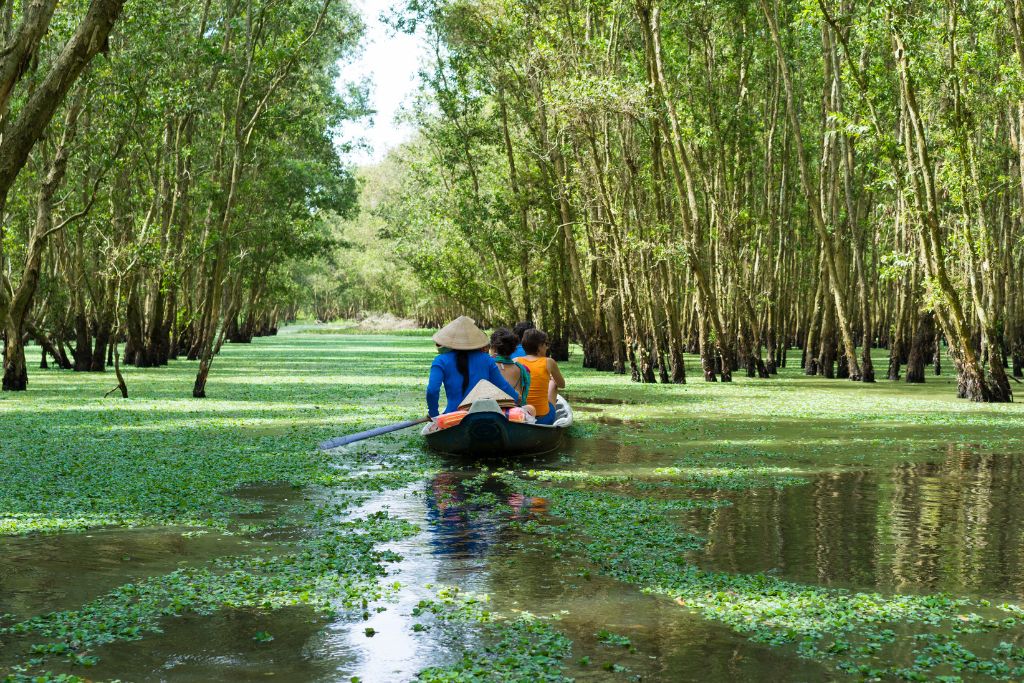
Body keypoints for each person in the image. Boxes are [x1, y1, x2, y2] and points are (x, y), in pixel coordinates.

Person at [426, 316, 521, 417]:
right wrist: (517, 398)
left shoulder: (440, 360)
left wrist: (433, 414)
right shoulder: (487, 359)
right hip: (482, 416)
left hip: (453, 416)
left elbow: (432, 390)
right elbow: (503, 386)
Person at [517, 328, 566, 426]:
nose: (547, 347)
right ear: (539, 346)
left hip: (520, 416)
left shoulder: (515, 361)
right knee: (554, 383)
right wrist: (551, 379)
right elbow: (562, 384)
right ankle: (549, 412)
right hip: (543, 418)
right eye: (545, 344)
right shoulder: (549, 362)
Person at [489, 328, 536, 417]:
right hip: (514, 414)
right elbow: (521, 399)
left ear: (494, 348)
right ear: (513, 349)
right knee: (530, 408)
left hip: (492, 412)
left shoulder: (489, 366)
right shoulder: (522, 369)